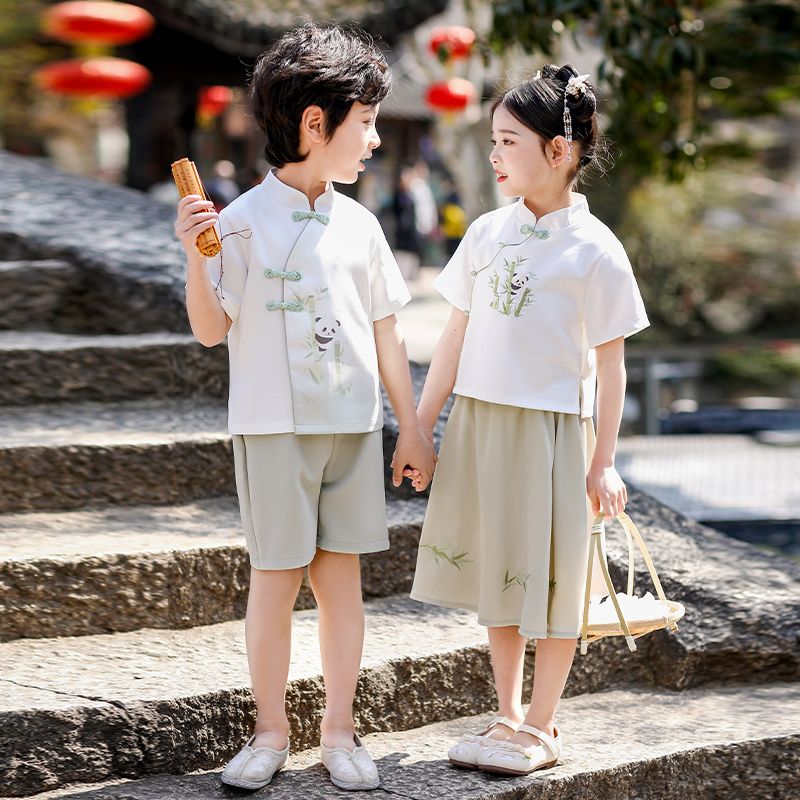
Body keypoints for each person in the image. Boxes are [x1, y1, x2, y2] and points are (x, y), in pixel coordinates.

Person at [174, 23, 435, 793]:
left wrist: (411, 424)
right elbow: (210, 329)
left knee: (343, 584)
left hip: (351, 427)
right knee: (275, 581)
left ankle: (341, 731)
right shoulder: (239, 223)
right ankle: (269, 731)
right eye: (367, 123)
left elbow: (388, 335)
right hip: (271, 426)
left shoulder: (361, 225)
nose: (376, 139)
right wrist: (196, 255)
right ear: (315, 125)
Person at [402, 65, 649, 776]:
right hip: (481, 424)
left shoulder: (596, 250)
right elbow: (451, 341)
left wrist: (603, 460)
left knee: (554, 579)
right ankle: (505, 714)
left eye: (509, 140)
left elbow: (612, 368)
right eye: (493, 140)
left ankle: (543, 725)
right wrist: (420, 427)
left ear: (558, 152)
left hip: (553, 434)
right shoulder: (484, 233)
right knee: (498, 578)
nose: (495, 154)